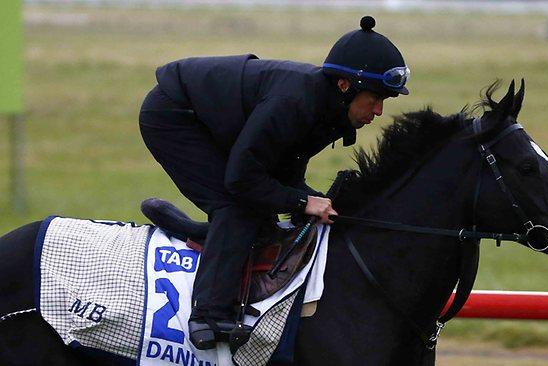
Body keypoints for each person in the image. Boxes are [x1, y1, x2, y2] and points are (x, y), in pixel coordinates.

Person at [138, 15, 409, 349]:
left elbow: (284, 171)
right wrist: (303, 202)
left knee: (260, 215)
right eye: (375, 98)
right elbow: (242, 179)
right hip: (172, 113)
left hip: (213, 119)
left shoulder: (328, 110)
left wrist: (312, 201)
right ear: (345, 86)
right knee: (234, 207)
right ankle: (207, 315)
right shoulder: (295, 103)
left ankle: (197, 232)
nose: (379, 111)